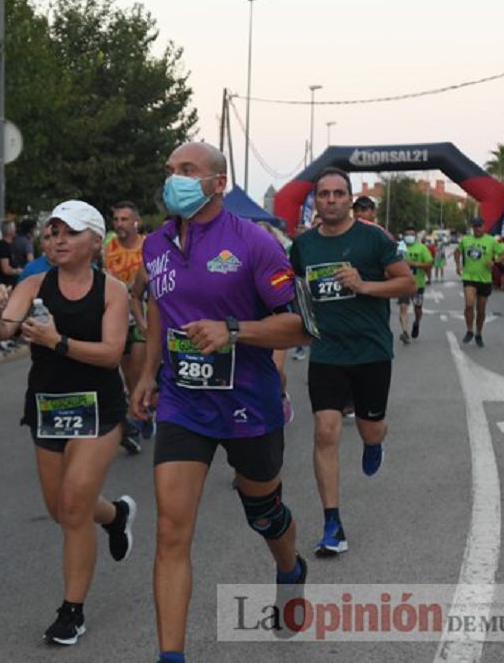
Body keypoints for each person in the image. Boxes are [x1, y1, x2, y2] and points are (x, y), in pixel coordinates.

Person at [130, 142, 310, 662]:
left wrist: (233, 330)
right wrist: (148, 373)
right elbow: (162, 309)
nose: (174, 180)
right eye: (169, 171)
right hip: (183, 403)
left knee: (264, 513)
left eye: (187, 170)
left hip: (249, 403)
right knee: (170, 531)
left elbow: (299, 328)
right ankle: (172, 656)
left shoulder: (255, 243)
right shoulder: (156, 244)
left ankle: (289, 568)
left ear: (217, 183)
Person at [0, 200, 136, 646]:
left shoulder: (113, 291)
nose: (59, 240)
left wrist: (58, 341)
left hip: (98, 409)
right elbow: (2, 331)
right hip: (48, 405)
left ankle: (72, 611)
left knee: (72, 507)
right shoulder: (33, 283)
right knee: (60, 509)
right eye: (53, 232)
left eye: (69, 232)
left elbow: (111, 354)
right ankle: (115, 515)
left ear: (94, 239)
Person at [289, 166, 415, 557]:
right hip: (326, 352)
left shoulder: (373, 238)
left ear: (349, 197)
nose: (330, 200)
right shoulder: (304, 246)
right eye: (323, 194)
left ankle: (375, 440)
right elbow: (297, 291)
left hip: (371, 352)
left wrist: (364, 285)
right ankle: (332, 523)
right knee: (325, 431)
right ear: (316, 200)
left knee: (370, 428)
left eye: (338, 194)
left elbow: (407, 283)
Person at [104, 200, 147, 455]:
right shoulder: (108, 248)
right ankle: (139, 410)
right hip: (118, 317)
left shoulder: (148, 246)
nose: (119, 224)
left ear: (135, 222)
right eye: (116, 219)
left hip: (143, 314)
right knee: (128, 371)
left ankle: (140, 408)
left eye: (124, 219)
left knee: (140, 369)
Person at [454, 217, 497, 347]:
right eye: (475, 226)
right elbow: (457, 251)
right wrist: (458, 265)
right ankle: (469, 330)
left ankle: (479, 333)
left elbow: (503, 253)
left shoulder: (491, 240)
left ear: (484, 226)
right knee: (469, 304)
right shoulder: (466, 240)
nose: (477, 229)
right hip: (469, 277)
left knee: (481, 309)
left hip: (484, 279)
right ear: (472, 227)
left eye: (479, 226)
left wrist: (494, 262)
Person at [397, 227, 433, 344]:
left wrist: (415, 264)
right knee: (403, 307)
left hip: (418, 284)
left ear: (416, 236)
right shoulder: (400, 247)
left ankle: (416, 323)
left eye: (411, 234)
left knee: (418, 308)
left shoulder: (422, 248)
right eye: (407, 234)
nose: (409, 236)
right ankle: (405, 332)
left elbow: (429, 263)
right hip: (403, 283)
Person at [0, 220, 22, 287]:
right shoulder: (2, 246)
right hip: (5, 284)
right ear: (9, 231)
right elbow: (6, 269)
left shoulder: (11, 245)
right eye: (14, 228)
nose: (16, 230)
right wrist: (19, 271)